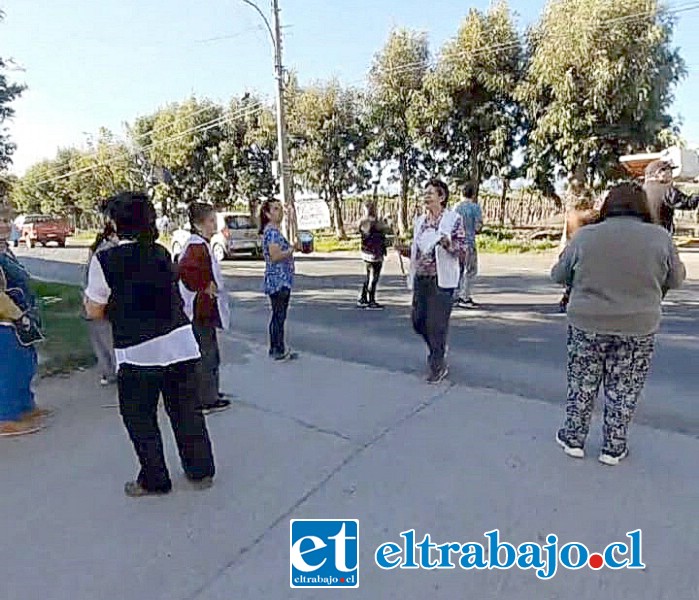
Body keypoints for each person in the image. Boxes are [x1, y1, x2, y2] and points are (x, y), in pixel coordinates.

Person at [83, 192, 215, 497]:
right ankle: (200, 470)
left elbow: (94, 309)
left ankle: (155, 478)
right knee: (185, 410)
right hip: (180, 343)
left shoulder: (105, 259)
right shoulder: (159, 251)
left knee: (140, 417)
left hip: (138, 351)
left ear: (115, 223)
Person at [551, 182, 686, 466]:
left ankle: (573, 439)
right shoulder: (660, 238)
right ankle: (613, 447)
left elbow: (558, 274)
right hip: (638, 327)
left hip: (587, 323)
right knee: (625, 387)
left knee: (582, 383)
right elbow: (676, 279)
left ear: (608, 205)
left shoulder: (586, 236)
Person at [396, 179, 466, 383]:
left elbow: (463, 251)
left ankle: (437, 365)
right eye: (424, 193)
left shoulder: (454, 220)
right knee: (418, 321)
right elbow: (420, 251)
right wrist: (405, 251)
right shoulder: (420, 221)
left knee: (436, 324)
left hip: (441, 280)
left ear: (442, 197)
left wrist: (447, 244)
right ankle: (438, 349)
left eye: (430, 193)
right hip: (421, 278)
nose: (426, 197)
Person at [177, 202, 232, 414]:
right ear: (198, 224)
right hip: (200, 311)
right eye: (211, 221)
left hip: (203, 309)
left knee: (209, 352)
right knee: (206, 354)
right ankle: (206, 399)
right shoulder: (196, 246)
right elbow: (185, 270)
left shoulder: (201, 244)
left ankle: (210, 393)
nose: (214, 225)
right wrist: (203, 285)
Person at [0, 202, 48, 437]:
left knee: (24, 363)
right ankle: (5, 417)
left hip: (18, 315)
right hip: (5, 320)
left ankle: (24, 406)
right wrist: (17, 315)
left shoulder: (4, 250)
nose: (4, 225)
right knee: (8, 368)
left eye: (6, 220)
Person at [260, 199, 297, 361]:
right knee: (279, 315)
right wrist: (291, 249)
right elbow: (275, 256)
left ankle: (277, 347)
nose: (279, 212)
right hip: (278, 279)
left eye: (280, 208)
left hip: (279, 278)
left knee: (277, 315)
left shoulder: (273, 231)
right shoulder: (273, 233)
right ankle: (277, 349)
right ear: (267, 214)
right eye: (275, 209)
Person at [84, 222, 119, 385]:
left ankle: (107, 372)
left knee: (99, 340)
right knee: (108, 338)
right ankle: (116, 370)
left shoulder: (97, 248)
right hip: (102, 300)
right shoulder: (108, 250)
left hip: (91, 297)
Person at [557, 186, 600, 312]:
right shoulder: (594, 215)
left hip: (573, 247)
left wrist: (563, 250)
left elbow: (566, 235)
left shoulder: (571, 215)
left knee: (573, 277)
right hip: (590, 248)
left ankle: (568, 296)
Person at [643, 159, 699, 233]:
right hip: (662, 234)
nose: (671, 175)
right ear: (659, 173)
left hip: (644, 235)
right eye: (669, 171)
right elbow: (688, 203)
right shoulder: (666, 190)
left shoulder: (640, 190)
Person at [453, 183, 483, 309]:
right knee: (470, 270)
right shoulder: (475, 208)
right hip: (469, 242)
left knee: (458, 270)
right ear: (473, 194)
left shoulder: (456, 208)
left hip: (457, 243)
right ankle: (464, 296)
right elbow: (478, 226)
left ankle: (455, 295)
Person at [356, 201, 390, 310]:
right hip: (375, 253)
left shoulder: (362, 222)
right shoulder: (375, 222)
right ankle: (371, 300)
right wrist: (386, 221)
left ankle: (363, 298)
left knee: (368, 276)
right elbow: (385, 229)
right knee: (373, 278)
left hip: (366, 252)